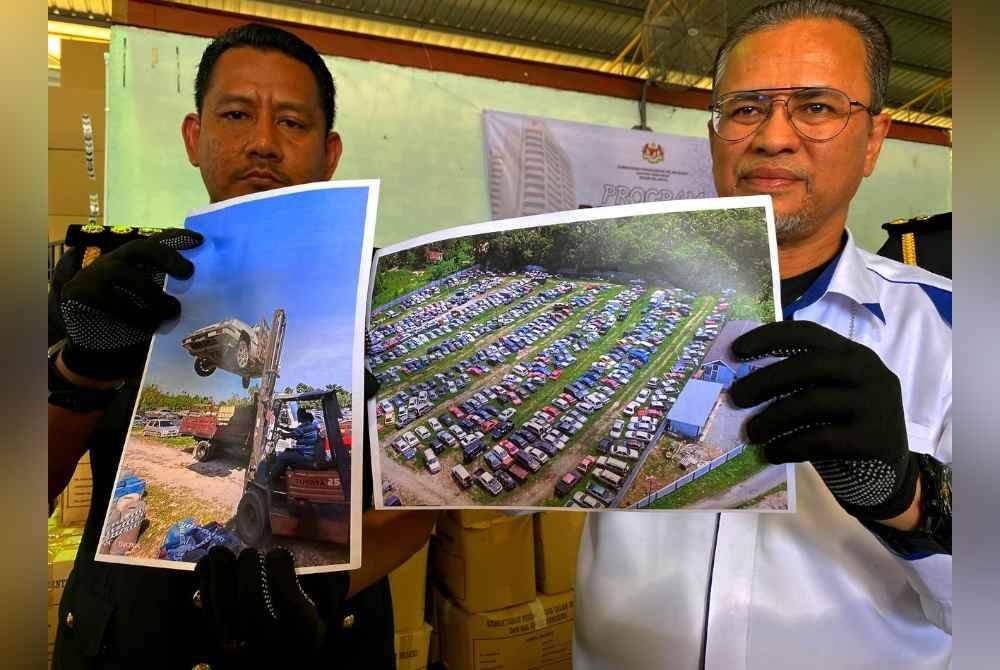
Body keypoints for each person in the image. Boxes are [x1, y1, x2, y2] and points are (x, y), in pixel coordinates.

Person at [574, 2, 952, 669]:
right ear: (716, 134)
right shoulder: (621, 304)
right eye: (746, 108)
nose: (773, 137)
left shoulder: (959, 332)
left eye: (816, 107)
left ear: (872, 140)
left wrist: (910, 497)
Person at [48, 23, 437, 669]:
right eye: (235, 114)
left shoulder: (387, 297)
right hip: (131, 645)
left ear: (329, 152)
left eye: (291, 122)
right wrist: (82, 369)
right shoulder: (107, 278)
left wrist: (328, 586)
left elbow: (421, 505)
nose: (262, 142)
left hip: (321, 645)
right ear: (194, 137)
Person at [270, 408, 323, 484]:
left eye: (298, 415)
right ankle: (283, 476)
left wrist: (282, 434)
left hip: (305, 455)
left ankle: (272, 481)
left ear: (301, 416)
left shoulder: (304, 426)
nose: (297, 417)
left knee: (282, 457)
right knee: (287, 451)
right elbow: (293, 430)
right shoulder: (309, 425)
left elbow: (293, 434)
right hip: (306, 453)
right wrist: (280, 426)